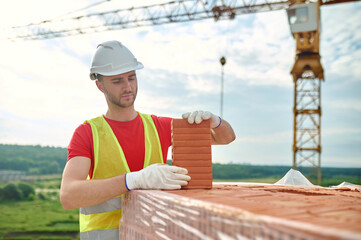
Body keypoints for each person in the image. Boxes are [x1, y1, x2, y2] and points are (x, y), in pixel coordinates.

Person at [60, 40, 236, 240]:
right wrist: (133, 180)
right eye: (117, 81)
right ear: (100, 85)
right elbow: (68, 196)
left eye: (131, 78)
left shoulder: (158, 126)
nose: (127, 87)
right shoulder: (88, 133)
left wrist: (215, 121)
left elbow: (226, 137)